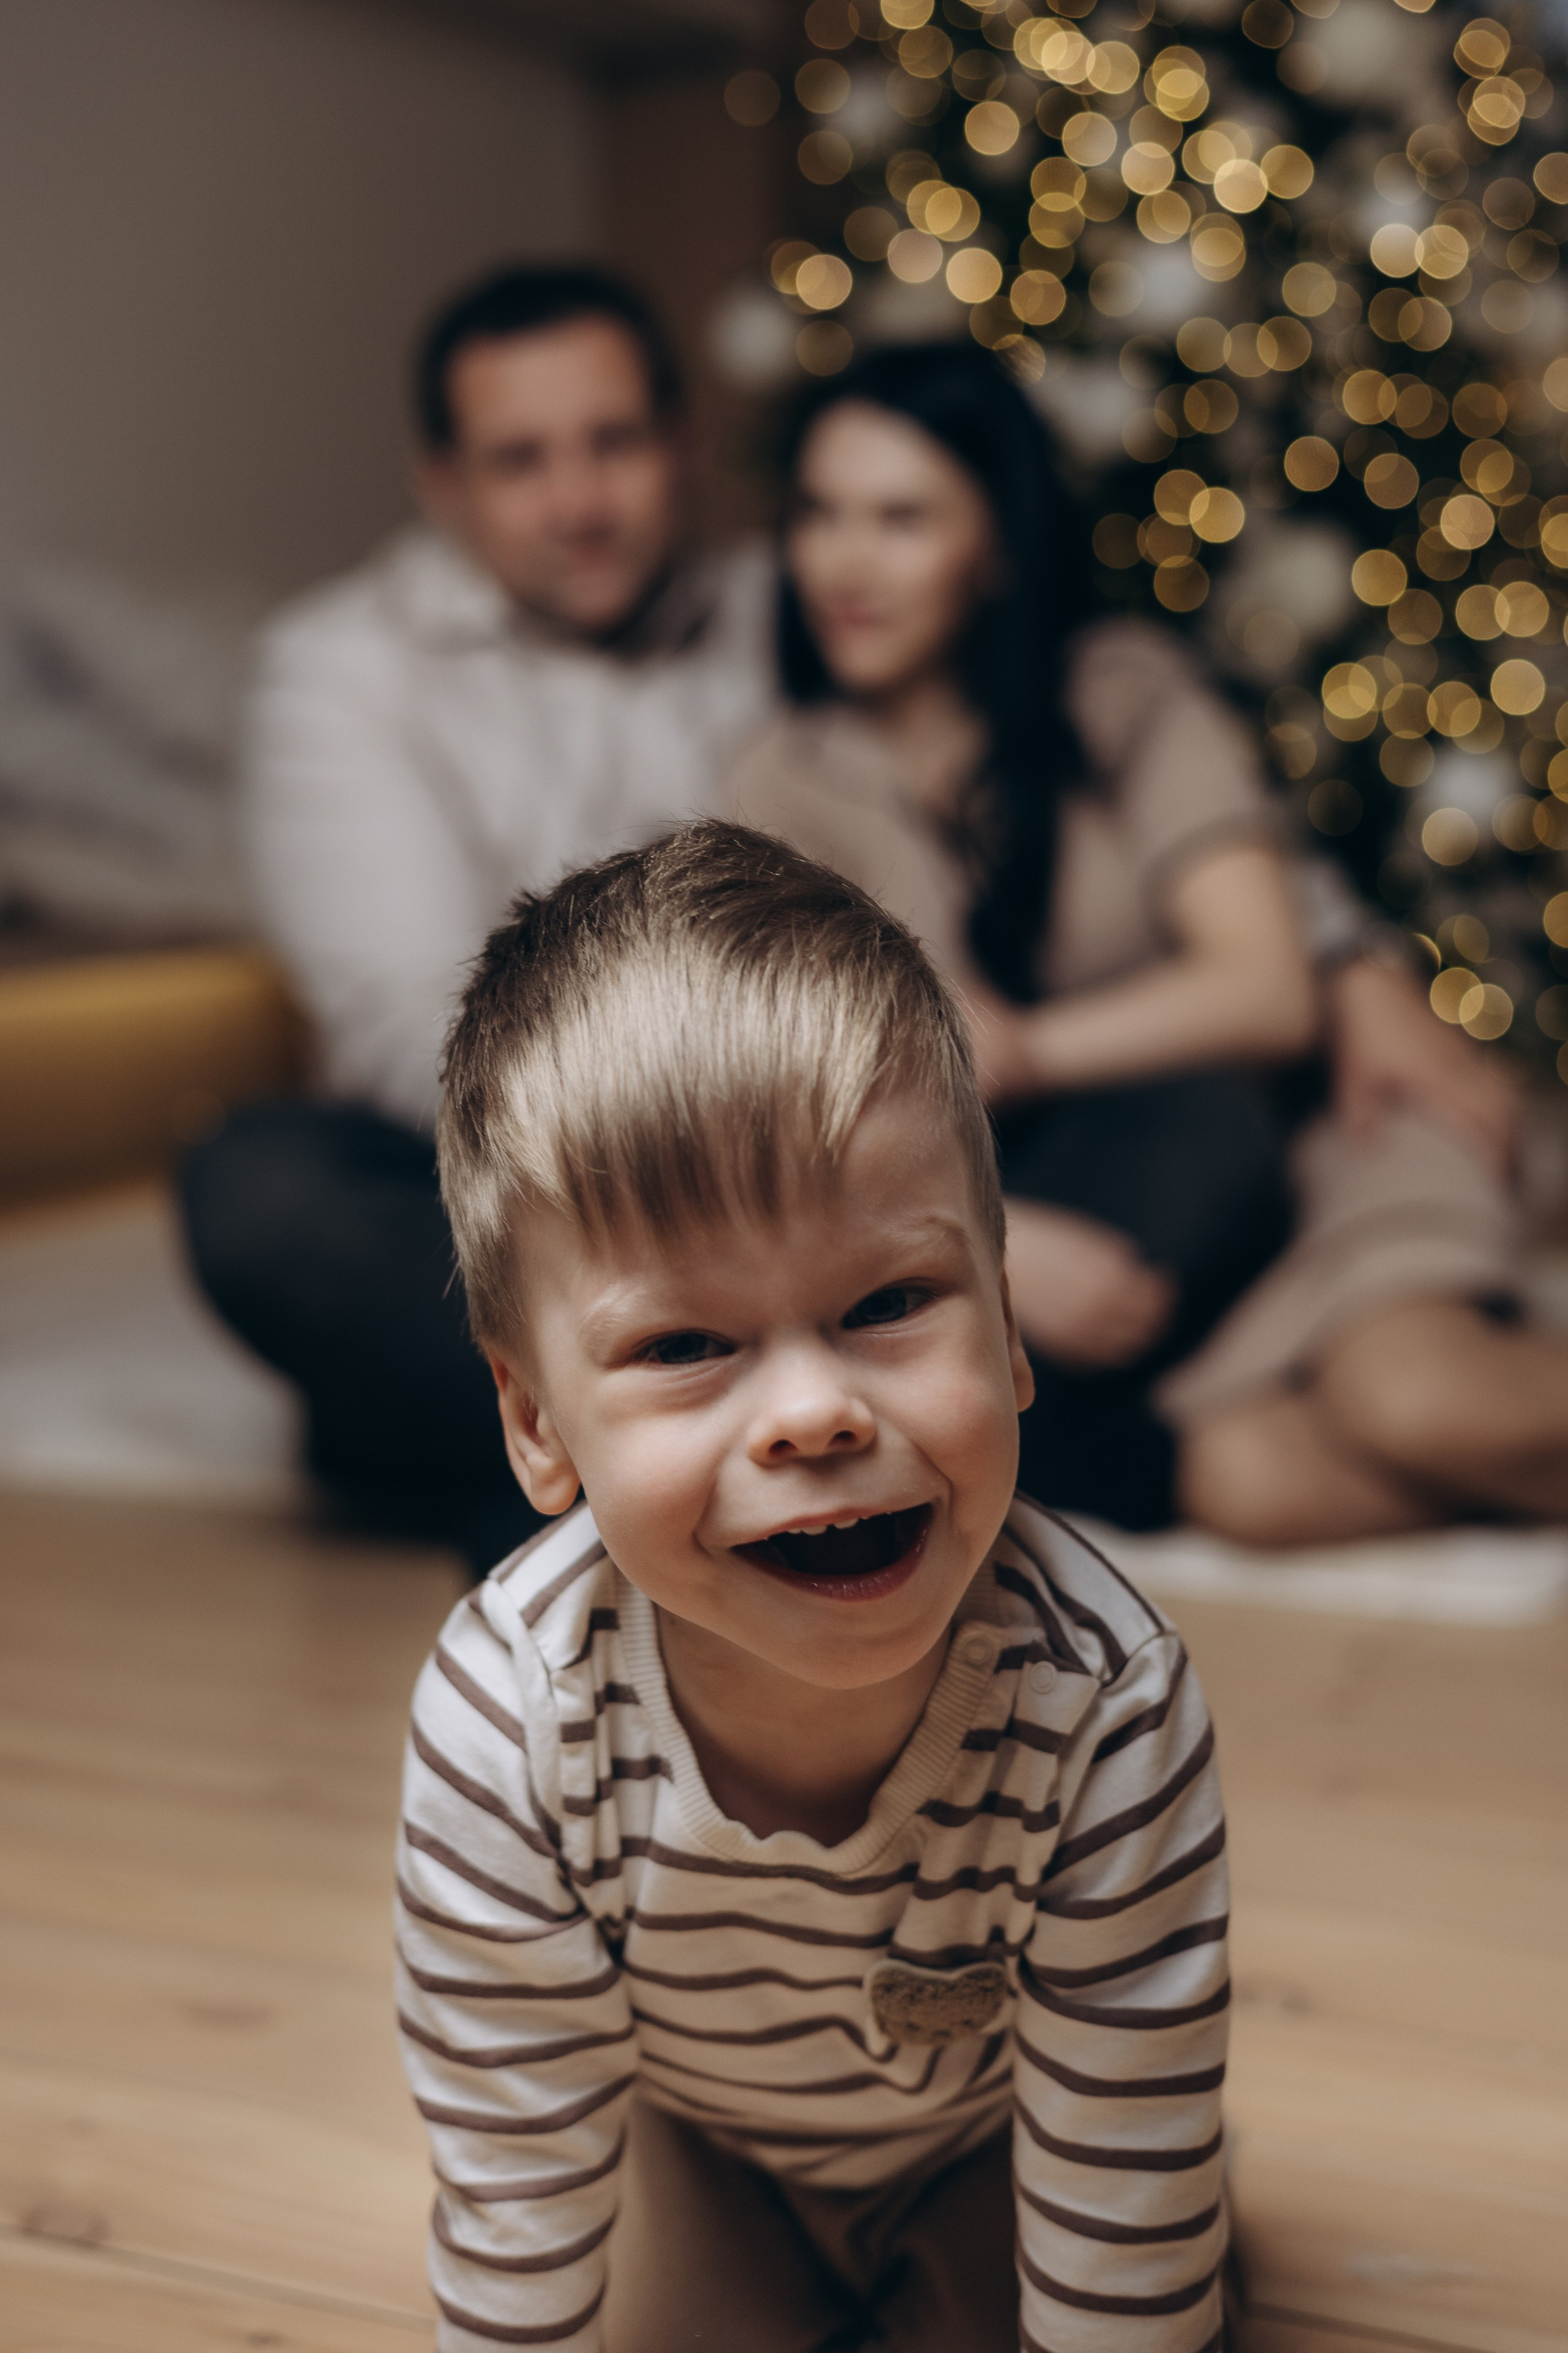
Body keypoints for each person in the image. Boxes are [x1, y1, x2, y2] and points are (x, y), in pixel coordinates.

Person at [399, 819, 1232, 2353]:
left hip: (1001, 2147)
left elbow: (1123, 2165)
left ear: (1007, 1320)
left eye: (888, 1303)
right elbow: (514, 2162)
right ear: (535, 1422)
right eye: (684, 1346)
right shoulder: (505, 1717)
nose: (810, 1413)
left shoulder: (1103, 1697)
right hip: (697, 2150)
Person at [728, 340, 1562, 1544]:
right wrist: (995, 1258)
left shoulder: (1119, 692)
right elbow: (803, 1111)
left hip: (1321, 1138)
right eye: (818, 514)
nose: (843, 563)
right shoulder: (778, 780)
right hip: (1110, 1232)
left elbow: (1267, 989)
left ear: (997, 548)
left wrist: (1017, 1047)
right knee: (1241, 1485)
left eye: (901, 518)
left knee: (1416, 1399)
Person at [180, 265, 772, 1571]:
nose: (579, 504)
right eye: (520, 462)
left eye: (613, 443)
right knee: (260, 1196)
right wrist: (687, 1189)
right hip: (515, 1196)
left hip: (812, 1156)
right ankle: (809, 1436)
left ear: (679, 445)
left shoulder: (790, 612)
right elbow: (418, 1030)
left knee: (1189, 1133)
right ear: (441, 485)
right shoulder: (335, 669)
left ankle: (542, 1461)